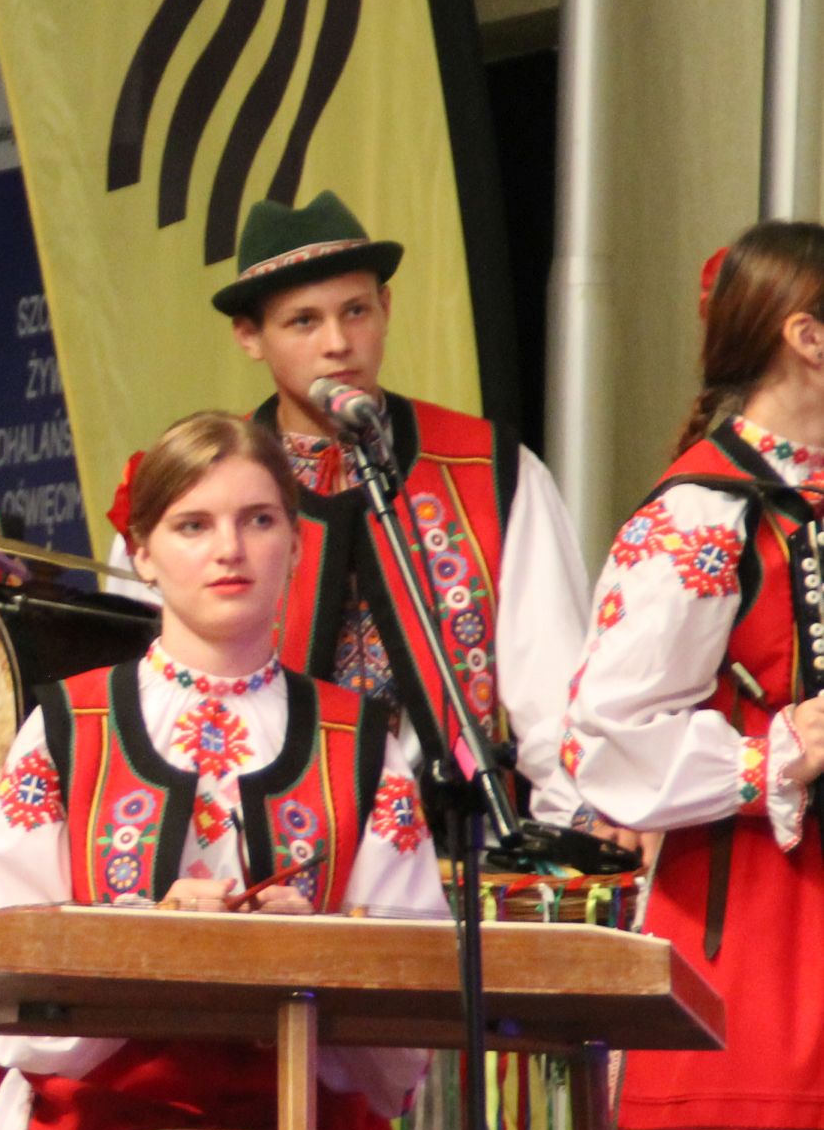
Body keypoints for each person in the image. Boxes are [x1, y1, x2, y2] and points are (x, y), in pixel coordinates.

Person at [0, 410, 441, 1130]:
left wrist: (320, 941)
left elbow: (408, 1020)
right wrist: (142, 932)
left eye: (259, 519)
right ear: (140, 551)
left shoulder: (360, 744)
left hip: (306, 1126)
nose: (229, 548)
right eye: (193, 523)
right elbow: (14, 996)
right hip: (101, 1111)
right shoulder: (66, 728)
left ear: (295, 544)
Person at [558, 221, 824, 1130]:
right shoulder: (706, 513)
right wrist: (780, 753)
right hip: (759, 920)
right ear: (805, 336)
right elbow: (606, 739)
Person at [107, 191, 601, 832]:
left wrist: (579, 828)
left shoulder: (490, 470)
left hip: (457, 850)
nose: (338, 343)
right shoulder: (192, 490)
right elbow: (142, 702)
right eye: (303, 322)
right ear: (250, 336)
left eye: (356, 311)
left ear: (386, 308)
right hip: (246, 847)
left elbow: (554, 692)